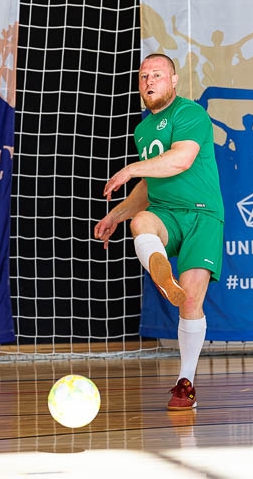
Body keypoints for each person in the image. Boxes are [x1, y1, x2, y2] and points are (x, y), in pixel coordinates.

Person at [94, 53, 224, 411]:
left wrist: (130, 169)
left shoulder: (190, 113)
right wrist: (116, 215)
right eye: (143, 76)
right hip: (166, 213)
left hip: (202, 215)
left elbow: (181, 159)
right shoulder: (143, 130)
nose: (149, 81)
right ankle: (161, 273)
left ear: (174, 80)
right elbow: (148, 187)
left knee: (191, 301)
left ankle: (185, 382)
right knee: (140, 221)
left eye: (157, 75)